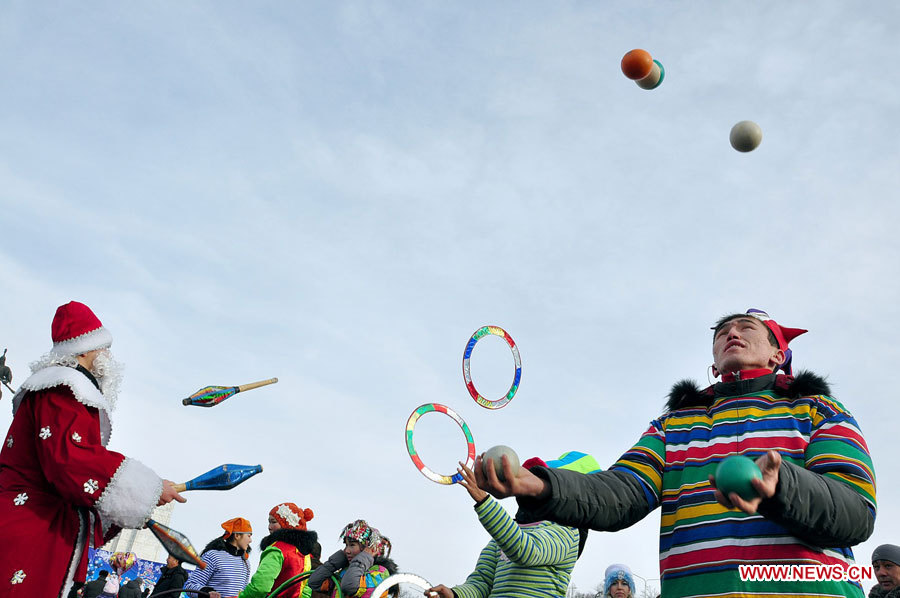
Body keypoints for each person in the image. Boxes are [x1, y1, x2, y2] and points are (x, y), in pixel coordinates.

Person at [476, 309, 877, 598]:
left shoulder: (818, 410)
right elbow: (621, 493)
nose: (731, 332)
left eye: (746, 327)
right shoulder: (673, 426)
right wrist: (539, 484)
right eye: (722, 331)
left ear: (777, 354)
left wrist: (781, 487)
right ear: (714, 361)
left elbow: (857, 512)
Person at [0, 301, 186, 597]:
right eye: (103, 347)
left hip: (40, 523)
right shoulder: (63, 388)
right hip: (33, 525)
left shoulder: (60, 390)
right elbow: (70, 462)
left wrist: (136, 502)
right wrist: (147, 489)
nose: (107, 355)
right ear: (84, 349)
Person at [426, 456, 581, 598]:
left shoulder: (566, 531)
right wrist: (455, 594)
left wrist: (484, 501)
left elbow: (526, 550)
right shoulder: (504, 534)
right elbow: (483, 582)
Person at [238, 502, 319, 598]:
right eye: (269, 522)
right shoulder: (304, 555)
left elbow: (260, 587)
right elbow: (305, 590)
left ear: (287, 524)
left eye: (273, 522)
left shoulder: (276, 550)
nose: (269, 527)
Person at [307, 520, 398, 598]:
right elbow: (315, 582)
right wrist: (335, 562)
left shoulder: (380, 573)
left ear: (369, 548)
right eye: (346, 545)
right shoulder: (345, 572)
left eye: (352, 545)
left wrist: (365, 556)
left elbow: (350, 586)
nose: (346, 550)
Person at [184, 517, 253, 597]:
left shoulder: (246, 562)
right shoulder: (212, 556)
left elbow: (243, 593)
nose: (250, 540)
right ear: (237, 535)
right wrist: (207, 593)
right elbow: (191, 585)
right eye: (248, 536)